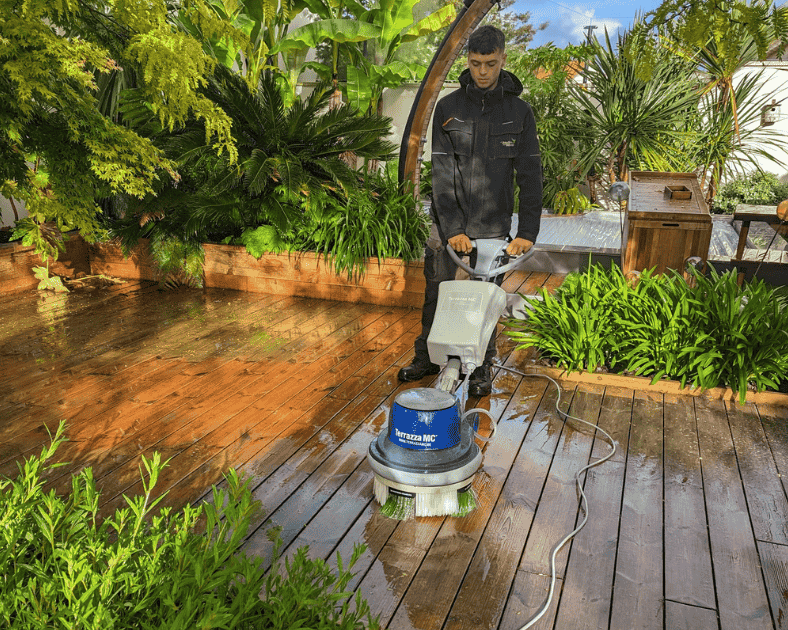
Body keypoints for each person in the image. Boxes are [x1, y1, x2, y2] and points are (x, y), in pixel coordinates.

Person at [397, 24, 543, 397]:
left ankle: (480, 367)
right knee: (437, 291)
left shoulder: (520, 112)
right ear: (468, 61)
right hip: (449, 223)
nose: (482, 71)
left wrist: (527, 231)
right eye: (476, 63)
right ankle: (428, 357)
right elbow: (442, 175)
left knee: (486, 298)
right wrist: (452, 229)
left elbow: (530, 175)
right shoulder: (448, 109)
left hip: (494, 226)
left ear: (503, 60)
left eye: (490, 63)